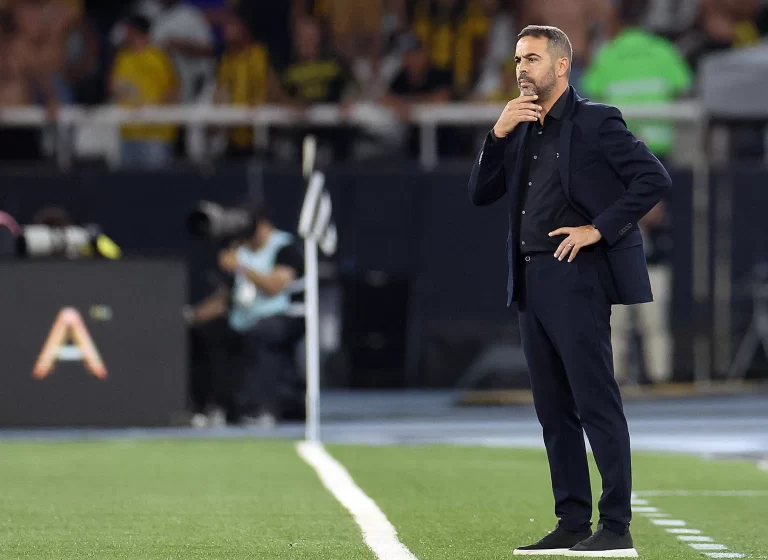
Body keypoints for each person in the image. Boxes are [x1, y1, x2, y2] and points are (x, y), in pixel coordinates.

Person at [468, 25, 671, 557]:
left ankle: (617, 527)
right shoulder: (519, 126)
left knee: (594, 400)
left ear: (561, 66)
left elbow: (653, 179)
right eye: (517, 59)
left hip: (577, 274)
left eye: (532, 59)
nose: (520, 69)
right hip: (531, 278)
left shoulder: (597, 121)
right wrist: (496, 135)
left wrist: (598, 228)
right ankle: (572, 521)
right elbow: (480, 195)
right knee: (552, 409)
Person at [186, 201, 305, 427]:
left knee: (258, 335)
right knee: (206, 334)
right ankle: (214, 406)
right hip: (243, 317)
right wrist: (191, 316)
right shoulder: (238, 250)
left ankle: (262, 407)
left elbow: (274, 286)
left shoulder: (285, 248)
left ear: (264, 225)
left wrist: (241, 266)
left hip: (282, 316)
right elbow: (226, 298)